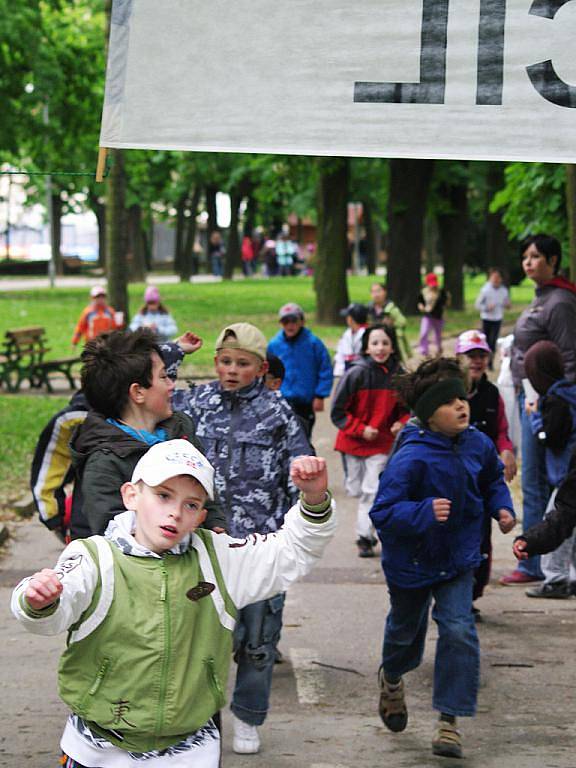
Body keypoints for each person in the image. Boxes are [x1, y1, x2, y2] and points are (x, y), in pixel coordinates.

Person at [11, 440, 335, 768]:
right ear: (131, 496)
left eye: (191, 505)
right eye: (163, 495)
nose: (175, 513)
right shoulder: (94, 557)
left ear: (201, 516)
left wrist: (314, 498)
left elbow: (292, 552)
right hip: (96, 750)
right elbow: (52, 611)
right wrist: (38, 600)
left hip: (191, 752)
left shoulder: (219, 558)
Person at [172, 322, 313, 754]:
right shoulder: (195, 404)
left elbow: (299, 472)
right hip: (203, 545)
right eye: (225, 361)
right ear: (215, 362)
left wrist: (290, 532)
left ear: (260, 367)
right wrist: (174, 353)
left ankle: (249, 717)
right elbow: (143, 385)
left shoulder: (277, 413)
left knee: (258, 641)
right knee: (200, 640)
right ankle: (203, 719)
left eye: (242, 363)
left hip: (259, 547)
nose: (232, 370)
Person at [369, 357, 515, 759]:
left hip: (458, 559)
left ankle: (449, 720)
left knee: (458, 631)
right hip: (411, 564)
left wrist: (501, 508)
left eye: (461, 397)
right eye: (449, 402)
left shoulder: (478, 444)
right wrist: (422, 511)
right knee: (404, 634)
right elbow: (382, 512)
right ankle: (393, 677)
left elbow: (491, 480)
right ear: (429, 415)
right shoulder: (411, 456)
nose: (461, 406)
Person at [69, 328, 226, 538]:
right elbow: (115, 535)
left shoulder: (180, 431)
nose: (172, 385)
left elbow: (204, 487)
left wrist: (215, 525)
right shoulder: (104, 462)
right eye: (163, 377)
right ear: (138, 392)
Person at [501, 234, 576, 586]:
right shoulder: (542, 297)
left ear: (553, 259)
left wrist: (558, 400)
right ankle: (541, 560)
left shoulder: (560, 301)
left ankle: (533, 562)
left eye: (536, 257)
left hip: (547, 401)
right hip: (532, 395)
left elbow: (570, 355)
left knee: (537, 481)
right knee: (535, 480)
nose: (529, 263)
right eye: (525, 257)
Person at [331, 325, 408, 558]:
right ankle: (366, 528)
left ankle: (364, 536)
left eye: (385, 343)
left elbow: (408, 409)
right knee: (354, 489)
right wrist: (360, 429)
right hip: (352, 443)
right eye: (375, 343)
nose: (380, 348)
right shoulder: (356, 374)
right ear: (366, 347)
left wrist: (401, 422)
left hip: (381, 444)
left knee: (370, 492)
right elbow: (338, 412)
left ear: (393, 346)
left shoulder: (400, 376)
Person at [455, 330, 517, 615]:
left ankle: (470, 595)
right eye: (471, 355)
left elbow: (501, 431)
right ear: (459, 358)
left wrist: (506, 450)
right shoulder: (449, 391)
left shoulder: (492, 393)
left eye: (481, 355)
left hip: (482, 478)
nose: (477, 361)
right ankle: (451, 594)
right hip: (451, 479)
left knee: (481, 540)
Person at [517, 340, 576, 598]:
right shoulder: (571, 392)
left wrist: (534, 418)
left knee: (556, 520)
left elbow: (550, 437)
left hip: (566, 476)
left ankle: (555, 579)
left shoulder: (555, 400)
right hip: (569, 474)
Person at [268, 303, 334, 438]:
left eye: (293, 321)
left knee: (303, 436)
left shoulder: (313, 343)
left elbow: (325, 369)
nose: (289, 325)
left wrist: (320, 395)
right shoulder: (274, 345)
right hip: (281, 400)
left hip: (305, 402)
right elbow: (267, 370)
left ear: (302, 322)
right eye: (285, 321)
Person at [367, 283, 412, 365]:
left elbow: (403, 322)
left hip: (391, 342)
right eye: (373, 292)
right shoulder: (369, 308)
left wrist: (393, 323)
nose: (376, 294)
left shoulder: (391, 308)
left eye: (378, 291)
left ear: (385, 292)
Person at [474, 268, 511, 364]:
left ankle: (490, 362)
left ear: (501, 279)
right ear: (490, 278)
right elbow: (477, 304)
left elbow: (507, 303)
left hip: (497, 318)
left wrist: (507, 305)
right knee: (485, 341)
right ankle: (483, 359)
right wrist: (486, 307)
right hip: (486, 318)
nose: (496, 279)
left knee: (493, 341)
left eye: (498, 277)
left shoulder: (504, 290)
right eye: (494, 277)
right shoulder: (485, 290)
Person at [417, 273, 450, 357]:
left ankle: (439, 349)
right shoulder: (424, 292)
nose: (433, 286)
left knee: (438, 335)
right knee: (424, 333)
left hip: (438, 316)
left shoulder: (441, 292)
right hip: (427, 316)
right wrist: (421, 306)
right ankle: (424, 351)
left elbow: (446, 303)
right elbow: (420, 302)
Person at [333, 303, 369, 377]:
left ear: (351, 319)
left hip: (363, 372)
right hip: (345, 372)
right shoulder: (347, 334)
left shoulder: (368, 334)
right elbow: (340, 355)